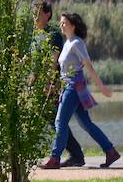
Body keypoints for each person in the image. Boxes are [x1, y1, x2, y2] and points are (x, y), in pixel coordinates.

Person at [38, 13, 119, 169]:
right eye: (61, 23)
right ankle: (111, 151)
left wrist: (101, 87)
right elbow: (66, 69)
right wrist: (55, 86)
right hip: (69, 87)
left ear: (73, 25)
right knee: (86, 124)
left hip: (74, 87)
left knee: (59, 122)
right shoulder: (67, 43)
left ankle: (54, 158)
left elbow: (88, 65)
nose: (61, 25)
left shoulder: (76, 43)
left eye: (64, 23)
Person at [34, 1, 84, 167]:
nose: (35, 16)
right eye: (34, 13)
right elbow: (35, 59)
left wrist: (49, 83)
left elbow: (54, 60)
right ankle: (76, 155)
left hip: (51, 85)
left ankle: (72, 155)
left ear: (47, 14)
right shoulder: (36, 34)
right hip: (39, 84)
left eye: (38, 13)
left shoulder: (53, 33)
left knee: (57, 121)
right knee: (54, 120)